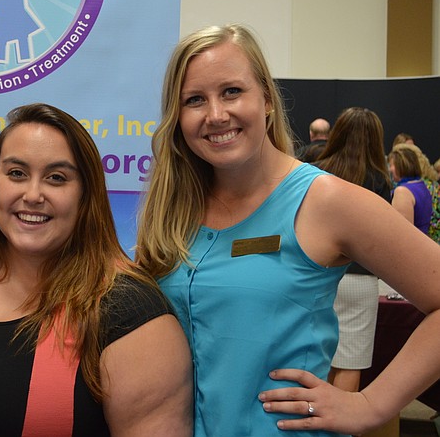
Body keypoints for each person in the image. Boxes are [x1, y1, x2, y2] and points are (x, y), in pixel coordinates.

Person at [136, 23, 440, 436]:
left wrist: (370, 404)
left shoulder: (325, 201)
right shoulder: (172, 209)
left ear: (265, 98)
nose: (216, 114)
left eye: (231, 91)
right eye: (194, 100)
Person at [0, 103, 192, 436]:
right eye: (17, 173)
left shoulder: (129, 311)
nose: (33, 195)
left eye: (56, 178)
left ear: (85, 195)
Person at [312, 108, 392, 396]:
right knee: (350, 361)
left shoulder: (314, 169)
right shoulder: (381, 182)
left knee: (316, 358)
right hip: (359, 277)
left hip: (315, 272)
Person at [388, 143, 434, 235]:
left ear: (401, 165)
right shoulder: (421, 185)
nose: (389, 169)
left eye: (391, 165)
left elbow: (402, 233)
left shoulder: (402, 191)